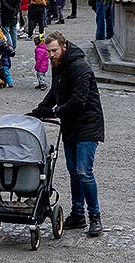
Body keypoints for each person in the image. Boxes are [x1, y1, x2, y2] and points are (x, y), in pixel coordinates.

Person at [28, 32, 105, 237]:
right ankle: (78, 214)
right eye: (48, 51)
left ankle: (95, 216)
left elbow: (78, 100)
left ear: (63, 47)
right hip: (71, 125)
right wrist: (39, 110)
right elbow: (55, 92)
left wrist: (54, 112)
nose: (51, 55)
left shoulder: (79, 67)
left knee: (83, 171)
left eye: (54, 51)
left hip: (88, 125)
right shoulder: (58, 65)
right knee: (73, 171)